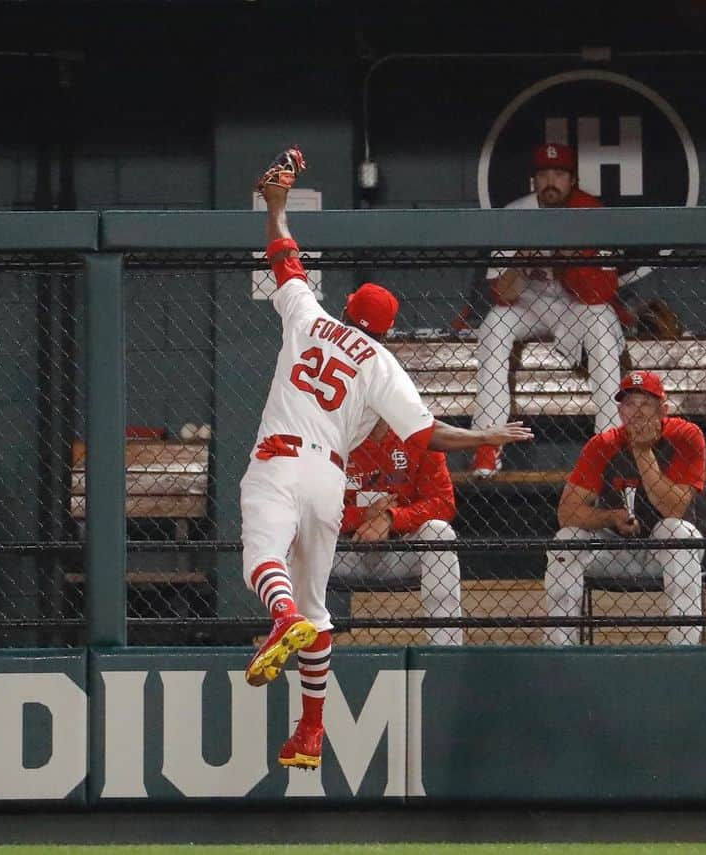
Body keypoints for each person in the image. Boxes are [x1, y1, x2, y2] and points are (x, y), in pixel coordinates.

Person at [242, 146, 534, 770]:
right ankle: (309, 733)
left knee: (264, 563)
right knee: (319, 611)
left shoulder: (309, 317)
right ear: (389, 329)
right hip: (328, 477)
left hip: (278, 457)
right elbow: (427, 437)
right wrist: (486, 436)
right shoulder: (383, 363)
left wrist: (276, 205)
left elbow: (283, 256)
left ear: (349, 310)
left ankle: (279, 614)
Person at [454, 143, 625, 478]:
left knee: (603, 325)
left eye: (559, 173)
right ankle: (488, 445)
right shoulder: (516, 214)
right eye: (544, 173)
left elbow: (603, 292)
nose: (551, 181)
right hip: (528, 307)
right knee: (494, 326)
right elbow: (501, 294)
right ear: (533, 180)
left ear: (572, 179)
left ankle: (609, 444)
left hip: (575, 307)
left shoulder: (591, 213)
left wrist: (569, 258)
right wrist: (522, 260)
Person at [543, 370, 706, 646]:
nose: (637, 412)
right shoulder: (603, 444)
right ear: (620, 411)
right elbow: (566, 513)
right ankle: (559, 648)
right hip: (613, 547)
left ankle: (684, 650)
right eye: (630, 404)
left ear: (663, 409)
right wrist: (609, 516)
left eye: (646, 404)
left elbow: (672, 509)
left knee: (681, 532)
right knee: (565, 541)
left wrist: (642, 451)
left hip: (663, 549)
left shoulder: (686, 436)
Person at [333, 419, 463, 646]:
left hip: (402, 551)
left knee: (438, 532)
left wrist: (391, 518)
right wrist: (363, 516)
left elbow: (443, 502)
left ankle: (446, 651)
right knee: (295, 537)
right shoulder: (332, 434)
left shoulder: (417, 432)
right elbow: (311, 508)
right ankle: (301, 651)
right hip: (343, 550)